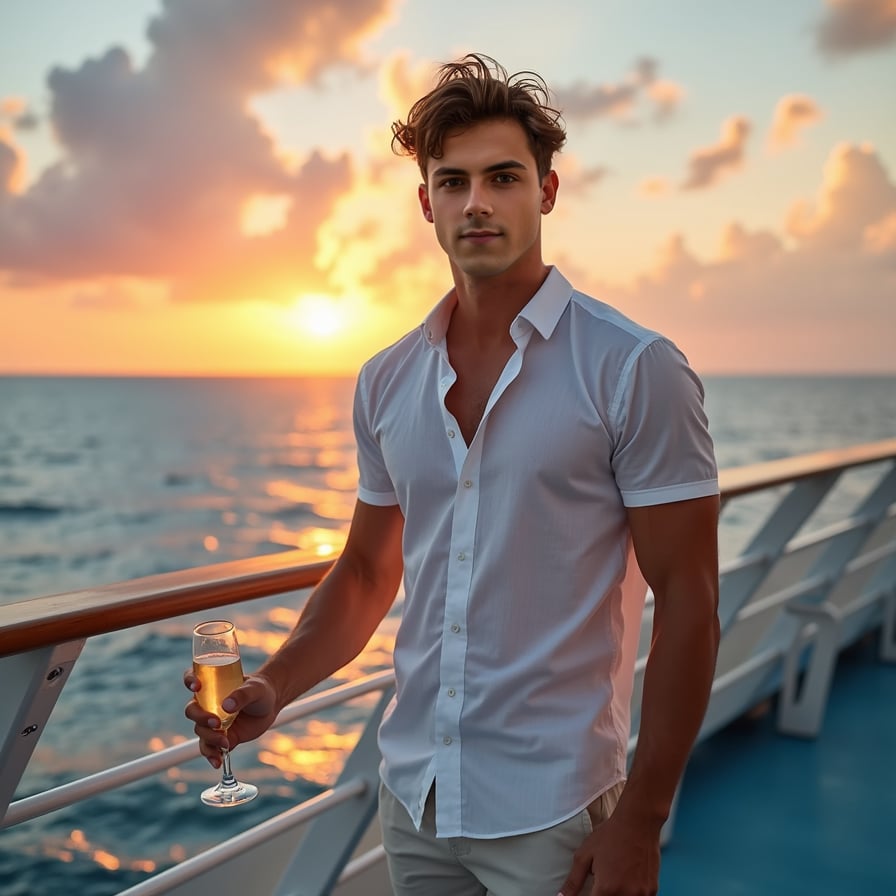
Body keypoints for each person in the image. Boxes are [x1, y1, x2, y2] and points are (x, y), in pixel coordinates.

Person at [185, 53, 720, 896]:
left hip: (553, 805)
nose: (477, 202)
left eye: (503, 177)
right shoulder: (387, 381)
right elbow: (366, 572)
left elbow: (690, 601)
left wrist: (643, 821)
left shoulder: (633, 368)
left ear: (546, 191)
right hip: (418, 798)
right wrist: (274, 685)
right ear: (426, 202)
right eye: (454, 181)